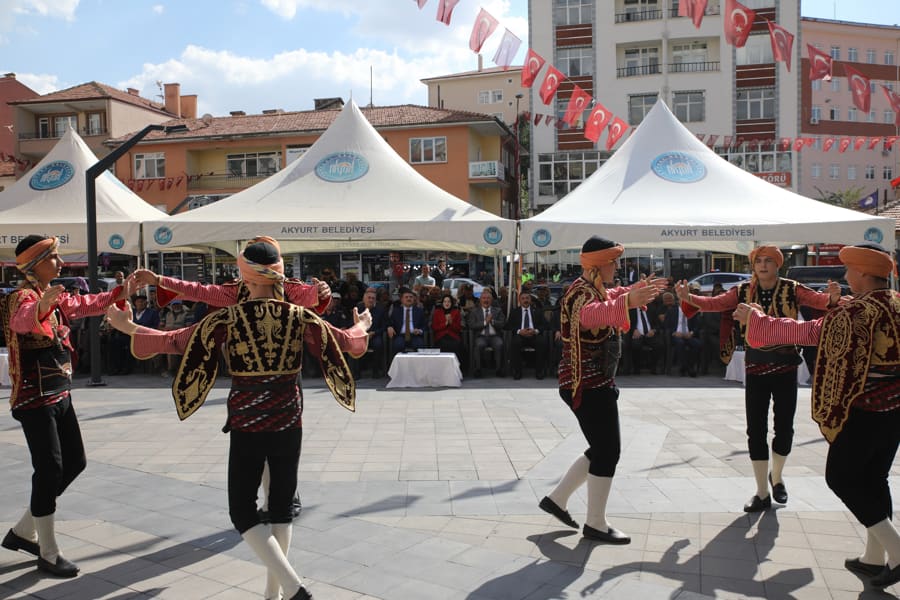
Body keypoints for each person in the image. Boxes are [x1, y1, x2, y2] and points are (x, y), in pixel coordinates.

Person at [106, 238, 371, 600]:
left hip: (248, 422)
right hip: (290, 419)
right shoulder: (299, 314)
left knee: (243, 512)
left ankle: (292, 589)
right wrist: (363, 326)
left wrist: (129, 329)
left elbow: (175, 341)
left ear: (246, 275)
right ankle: (273, 594)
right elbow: (344, 341)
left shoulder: (229, 315)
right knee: (280, 508)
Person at [733, 243, 900, 588]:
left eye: (850, 270)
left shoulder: (857, 313)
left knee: (841, 478)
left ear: (865, 275)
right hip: (894, 411)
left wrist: (757, 320)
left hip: (864, 412)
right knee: (874, 479)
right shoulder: (894, 305)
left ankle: (897, 552)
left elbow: (805, 333)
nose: (845, 276)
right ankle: (873, 557)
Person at [675, 245, 839, 512]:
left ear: (778, 265)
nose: (762, 266)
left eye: (768, 261)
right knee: (756, 430)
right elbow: (715, 304)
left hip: (786, 366)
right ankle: (762, 492)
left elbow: (821, 302)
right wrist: (689, 296)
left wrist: (831, 297)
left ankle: (778, 476)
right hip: (755, 367)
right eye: (758, 261)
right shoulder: (741, 291)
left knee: (785, 429)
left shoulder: (792, 288)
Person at [0, 235, 127, 578]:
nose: (59, 263)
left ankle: (24, 531)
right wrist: (41, 308)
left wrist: (121, 292)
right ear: (34, 264)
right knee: (50, 469)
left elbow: (86, 304)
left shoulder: (52, 295)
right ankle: (49, 551)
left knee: (75, 462)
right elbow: (22, 321)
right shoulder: (21, 298)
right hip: (33, 398)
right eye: (52, 258)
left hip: (60, 394)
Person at [539, 236, 664, 544]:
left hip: (591, 384)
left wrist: (630, 294)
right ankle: (595, 523)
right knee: (608, 451)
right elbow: (590, 315)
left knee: (601, 449)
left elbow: (608, 297)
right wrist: (627, 302)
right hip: (587, 385)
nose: (617, 267)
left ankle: (556, 500)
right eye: (614, 262)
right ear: (599, 265)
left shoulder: (590, 288)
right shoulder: (581, 294)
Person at [505, 290, 548, 380]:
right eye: (523, 298)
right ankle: (517, 371)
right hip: (520, 335)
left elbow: (545, 325)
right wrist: (519, 331)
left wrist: (535, 331)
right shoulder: (514, 312)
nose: (525, 300)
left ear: (531, 300)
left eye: (527, 298)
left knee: (542, 342)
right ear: (519, 300)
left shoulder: (537, 311)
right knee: (515, 343)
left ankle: (539, 371)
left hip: (534, 335)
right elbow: (508, 326)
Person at [466, 287, 505, 377]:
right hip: (481, 336)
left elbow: (503, 323)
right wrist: (485, 322)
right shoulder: (474, 312)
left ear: (491, 300)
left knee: (499, 344)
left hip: (494, 336)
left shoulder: (497, 311)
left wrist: (492, 322)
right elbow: (472, 325)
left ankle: (499, 369)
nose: (486, 300)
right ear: (480, 300)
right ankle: (478, 369)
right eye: (484, 298)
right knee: (479, 345)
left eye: (488, 298)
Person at [387, 287, 426, 355]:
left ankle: (418, 365)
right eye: (406, 297)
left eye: (411, 297)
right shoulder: (396, 311)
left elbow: (425, 326)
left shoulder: (419, 311)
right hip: (400, 335)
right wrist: (390, 327)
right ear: (402, 299)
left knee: (419, 345)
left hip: (415, 335)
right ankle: (398, 365)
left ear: (414, 299)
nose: (409, 299)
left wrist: (420, 331)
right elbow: (390, 322)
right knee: (397, 345)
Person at [431, 292, 463, 363]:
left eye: (449, 301)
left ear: (451, 303)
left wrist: (451, 323)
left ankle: (455, 366)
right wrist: (445, 324)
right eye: (445, 301)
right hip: (441, 336)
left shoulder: (456, 312)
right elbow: (434, 327)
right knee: (443, 343)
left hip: (453, 336)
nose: (447, 303)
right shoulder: (437, 312)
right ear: (442, 303)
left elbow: (458, 329)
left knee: (456, 344)